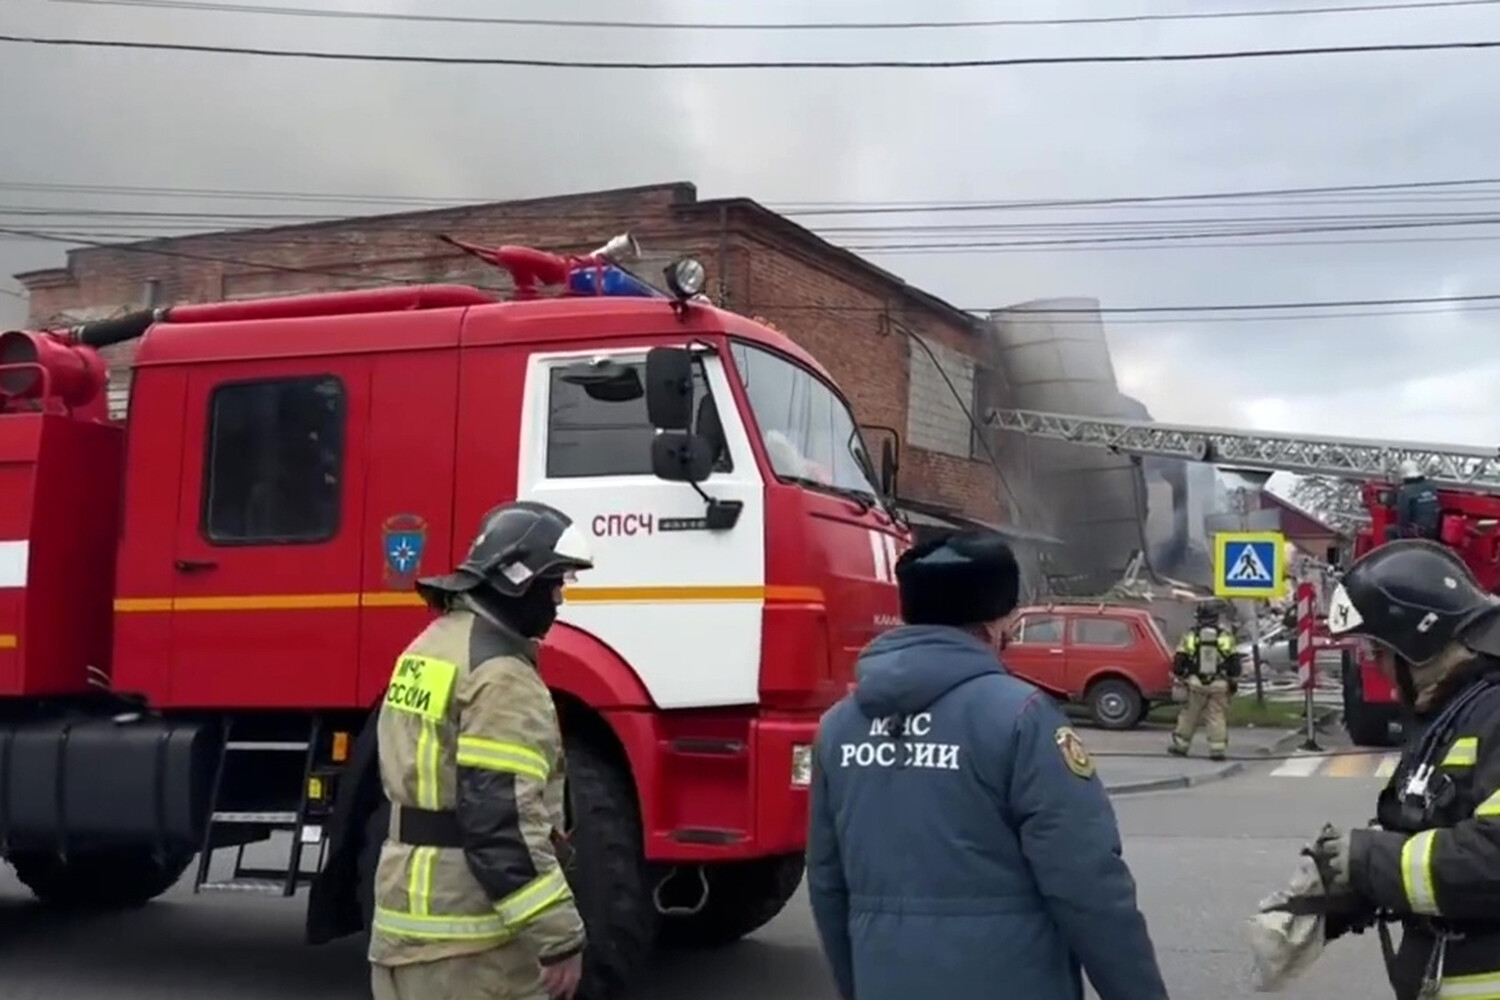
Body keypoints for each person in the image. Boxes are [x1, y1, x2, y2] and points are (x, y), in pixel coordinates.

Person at [805, 529, 1170, 1000]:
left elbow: (827, 881)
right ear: (996, 624)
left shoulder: (838, 727)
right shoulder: (1022, 718)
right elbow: (1086, 883)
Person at [367, 500, 593, 1000]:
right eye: (554, 582)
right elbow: (501, 823)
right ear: (518, 580)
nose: (559, 599)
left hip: (405, 926)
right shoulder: (502, 675)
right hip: (471, 949)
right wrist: (559, 937)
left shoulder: (430, 647)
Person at [1313, 538, 1500, 1000]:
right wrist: (1354, 891)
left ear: (1416, 642)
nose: (1377, 666)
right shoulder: (1455, 715)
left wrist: (1368, 861)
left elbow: (1493, 857)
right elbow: (1434, 826)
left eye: (1378, 651)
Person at [1167, 602, 1242, 762]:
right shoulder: (1225, 636)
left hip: (1196, 683)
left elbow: (1180, 660)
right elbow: (1234, 661)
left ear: (1199, 617)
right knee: (1216, 715)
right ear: (1216, 618)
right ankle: (1217, 749)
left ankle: (1181, 746)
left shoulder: (1191, 636)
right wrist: (1233, 680)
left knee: (1189, 715)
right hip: (1219, 684)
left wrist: (1180, 675)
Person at [1394, 459, 1441, 540]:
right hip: (1433, 531)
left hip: (1417, 532)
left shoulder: (1405, 492)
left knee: (1390, 531)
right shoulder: (1431, 486)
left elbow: (1404, 516)